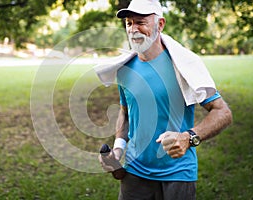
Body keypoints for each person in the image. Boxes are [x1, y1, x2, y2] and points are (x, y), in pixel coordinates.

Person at [97, 0, 233, 199]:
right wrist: (118, 150)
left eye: (140, 22)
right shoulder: (124, 69)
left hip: (178, 174)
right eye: (128, 23)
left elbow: (223, 112)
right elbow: (126, 113)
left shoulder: (184, 66)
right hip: (134, 172)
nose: (133, 29)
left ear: (160, 24)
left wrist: (188, 137)